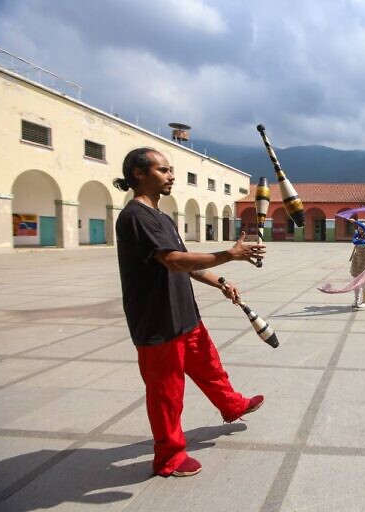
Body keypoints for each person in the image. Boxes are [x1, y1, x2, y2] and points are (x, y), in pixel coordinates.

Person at [113, 147, 266, 478]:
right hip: (157, 322)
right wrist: (230, 254)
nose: (171, 176)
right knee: (167, 394)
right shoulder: (135, 217)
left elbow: (187, 262)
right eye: (163, 170)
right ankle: (168, 458)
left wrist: (220, 281)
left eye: (171, 170)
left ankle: (232, 406)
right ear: (139, 174)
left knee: (210, 367)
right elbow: (173, 260)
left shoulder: (162, 218)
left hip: (184, 315)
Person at [348, 217, 365, 309]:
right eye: (359, 228)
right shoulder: (356, 236)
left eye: (362, 227)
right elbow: (354, 241)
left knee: (364, 283)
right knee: (356, 282)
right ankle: (356, 300)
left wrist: (355, 222)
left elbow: (364, 228)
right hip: (356, 261)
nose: (360, 229)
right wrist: (364, 241)